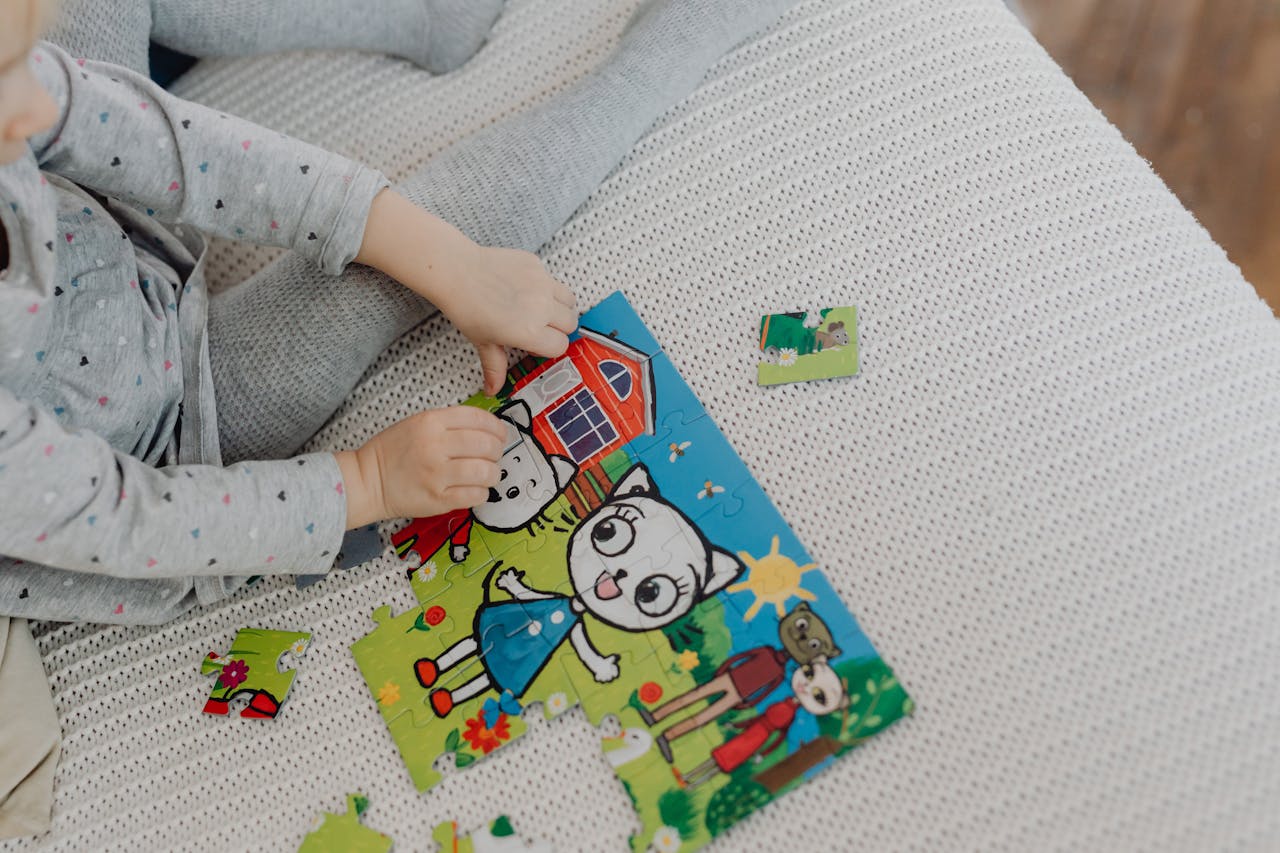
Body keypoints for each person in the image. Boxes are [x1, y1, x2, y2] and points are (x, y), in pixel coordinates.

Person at [0, 0, 798, 836]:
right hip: (174, 442)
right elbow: (143, 525)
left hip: (104, 244)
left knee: (430, 250)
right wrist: (366, 481)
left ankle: (422, 19)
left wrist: (453, 266)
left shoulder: (21, 97)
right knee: (380, 285)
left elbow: (176, 146)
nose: (34, 103)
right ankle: (652, 70)